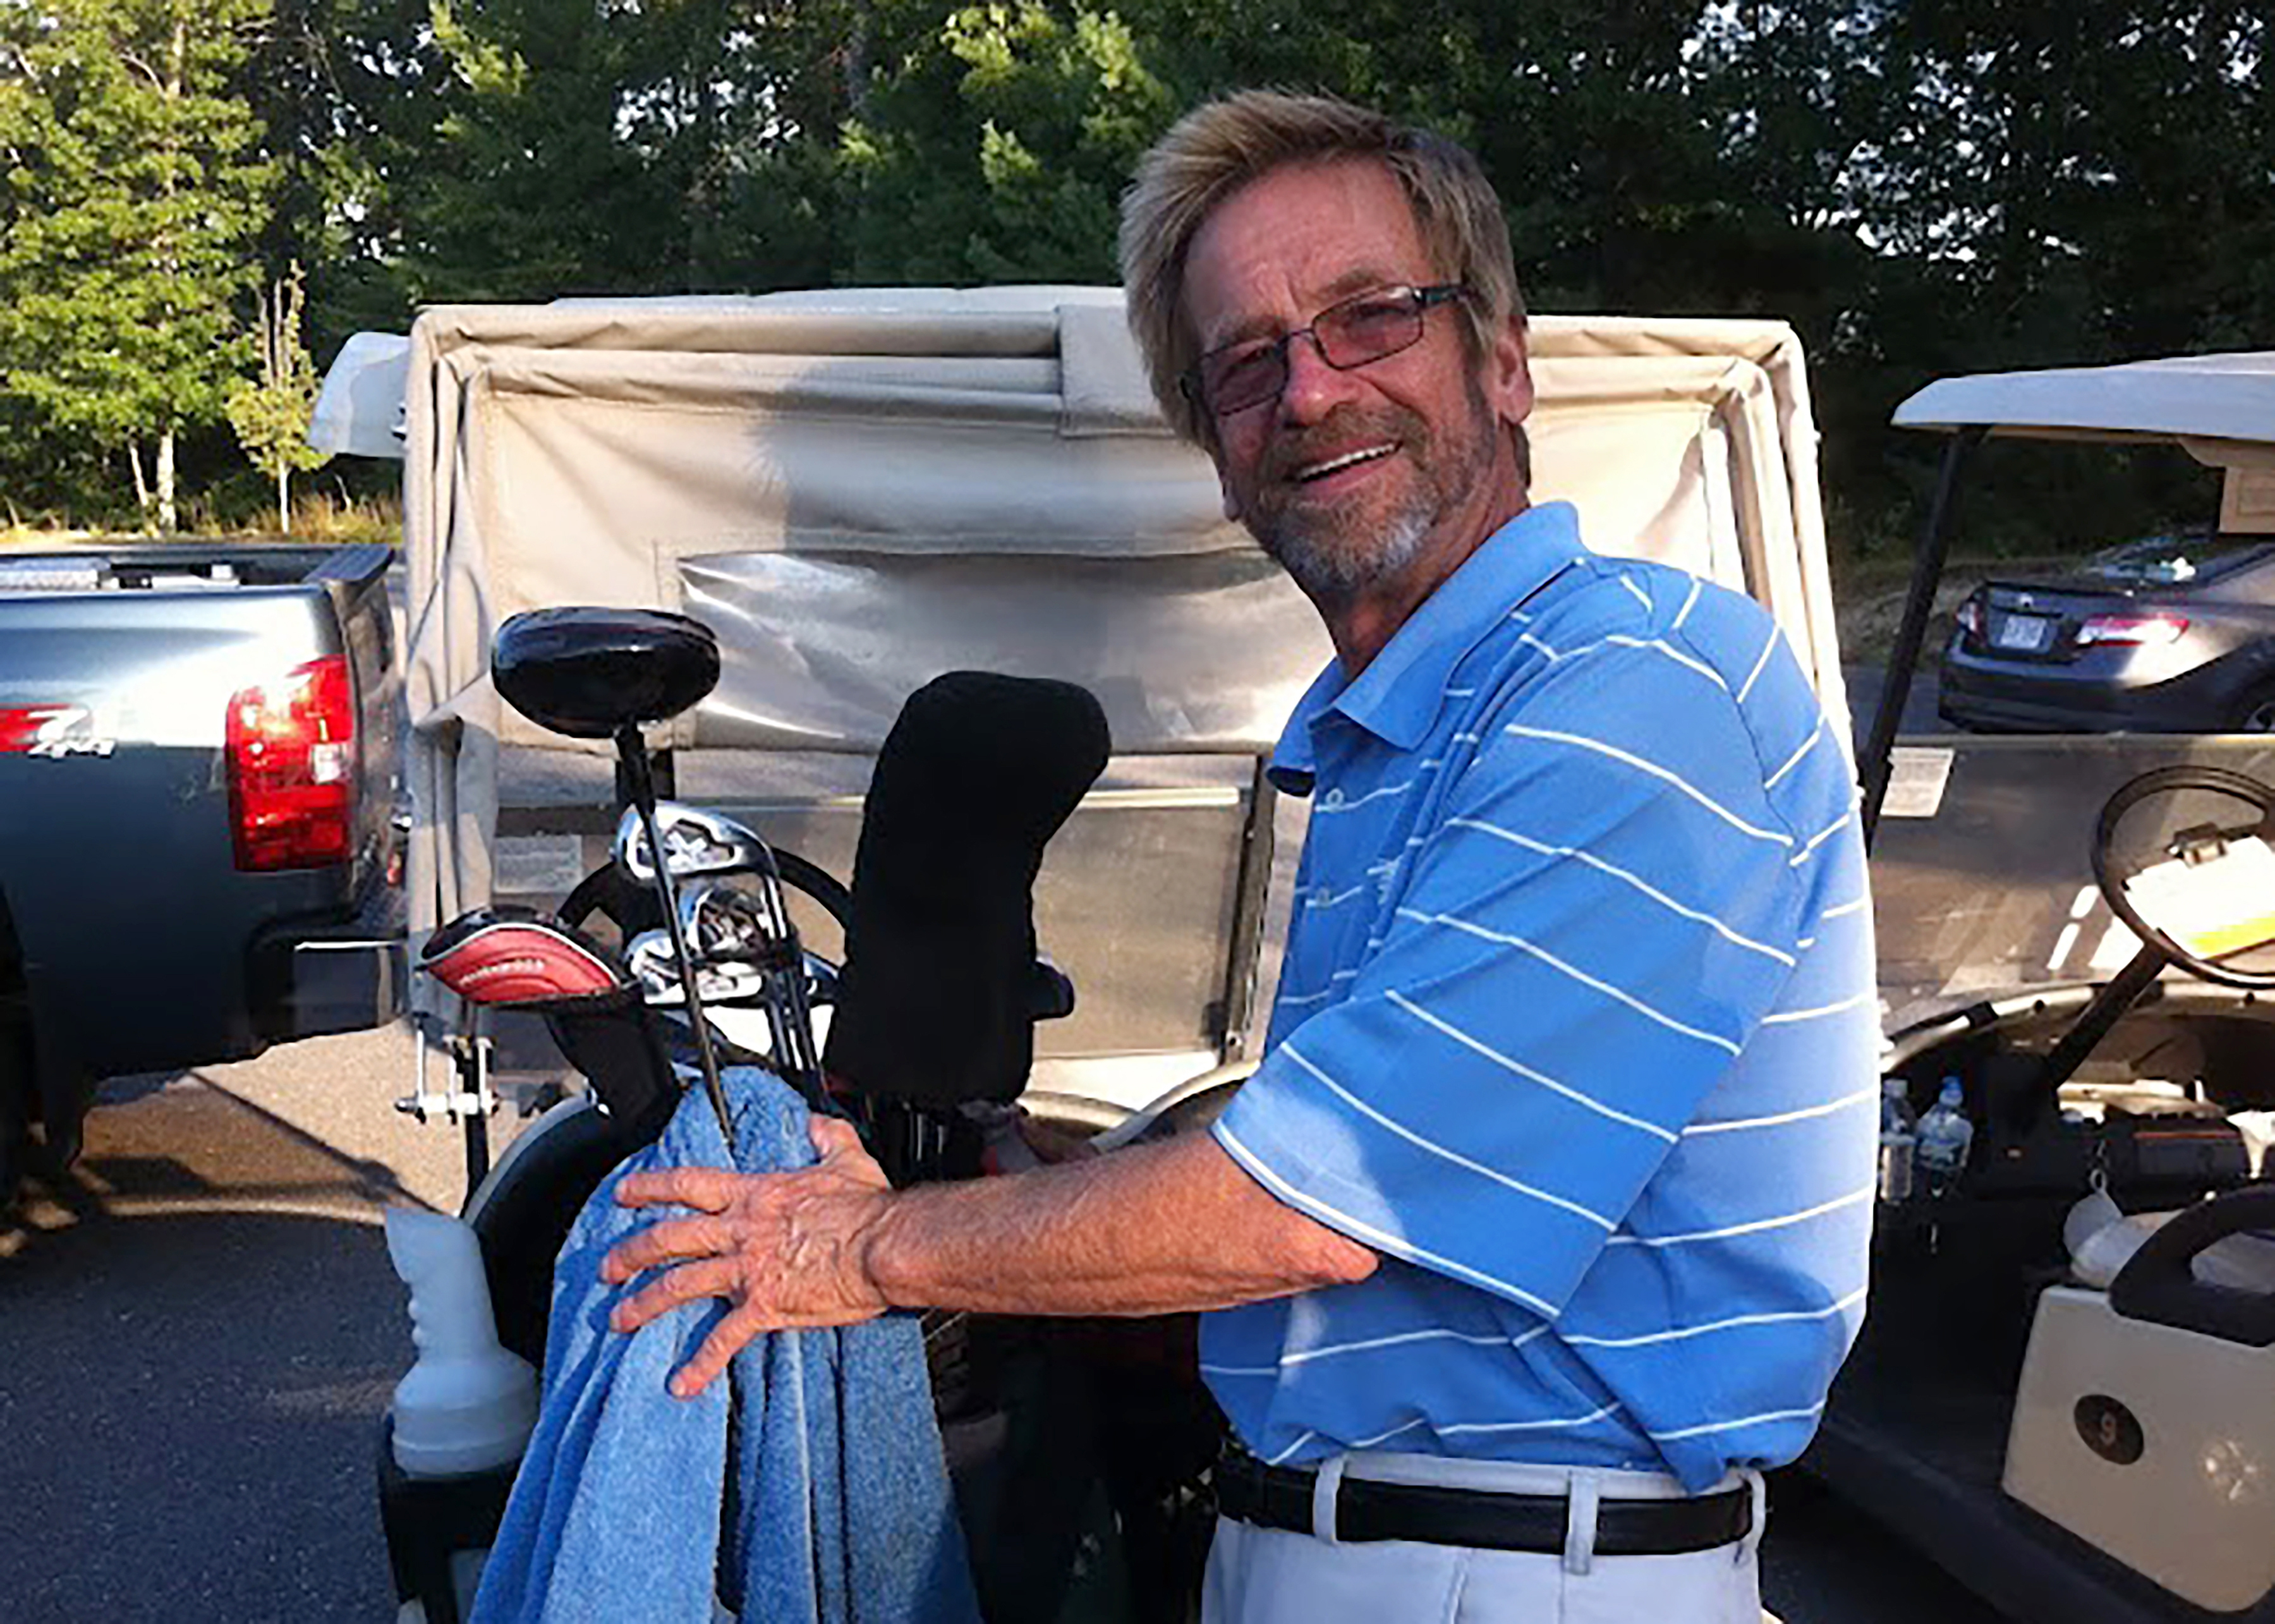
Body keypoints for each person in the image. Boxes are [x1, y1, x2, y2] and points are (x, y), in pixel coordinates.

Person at [600, 89, 1878, 1622]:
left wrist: (868, 1246)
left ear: (1506, 355)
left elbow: (1321, 1207)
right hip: (1344, 1550)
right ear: (1217, 446)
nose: (1314, 390)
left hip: (1520, 1572)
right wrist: (1052, 1188)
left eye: (1370, 318)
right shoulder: (1398, 728)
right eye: (1247, 363)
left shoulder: (1636, 691)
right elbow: (1349, 1176)